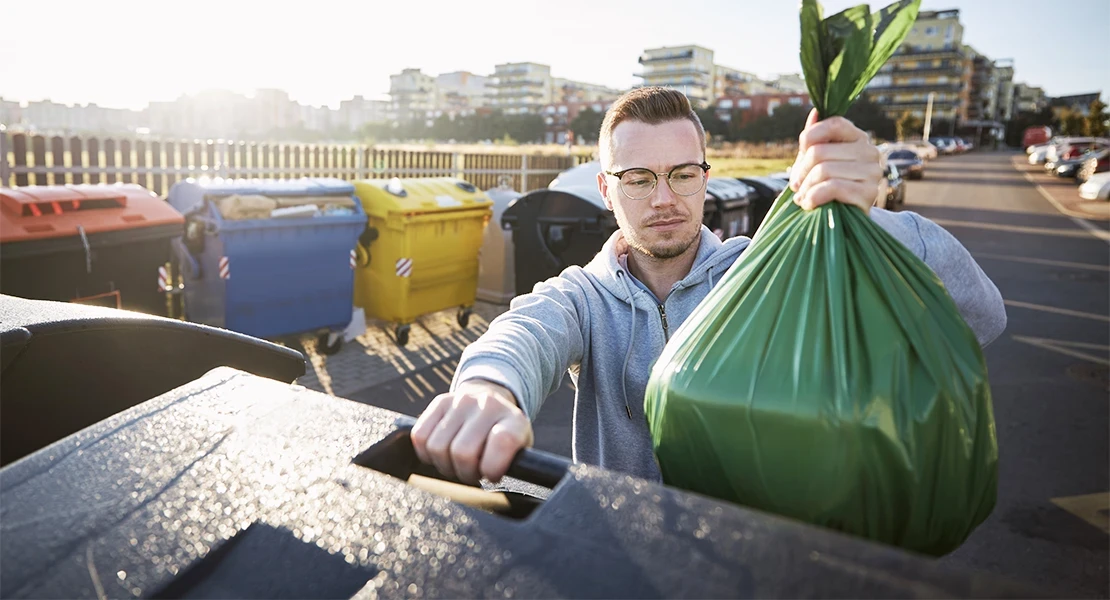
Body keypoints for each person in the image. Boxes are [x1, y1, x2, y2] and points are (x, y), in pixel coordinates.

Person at [412, 87, 1007, 485]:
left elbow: (980, 317)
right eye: (639, 177)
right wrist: (488, 390)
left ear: (706, 176)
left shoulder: (762, 274)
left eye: (682, 174)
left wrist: (859, 219)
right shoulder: (583, 298)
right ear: (605, 189)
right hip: (622, 557)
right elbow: (526, 329)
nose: (665, 198)